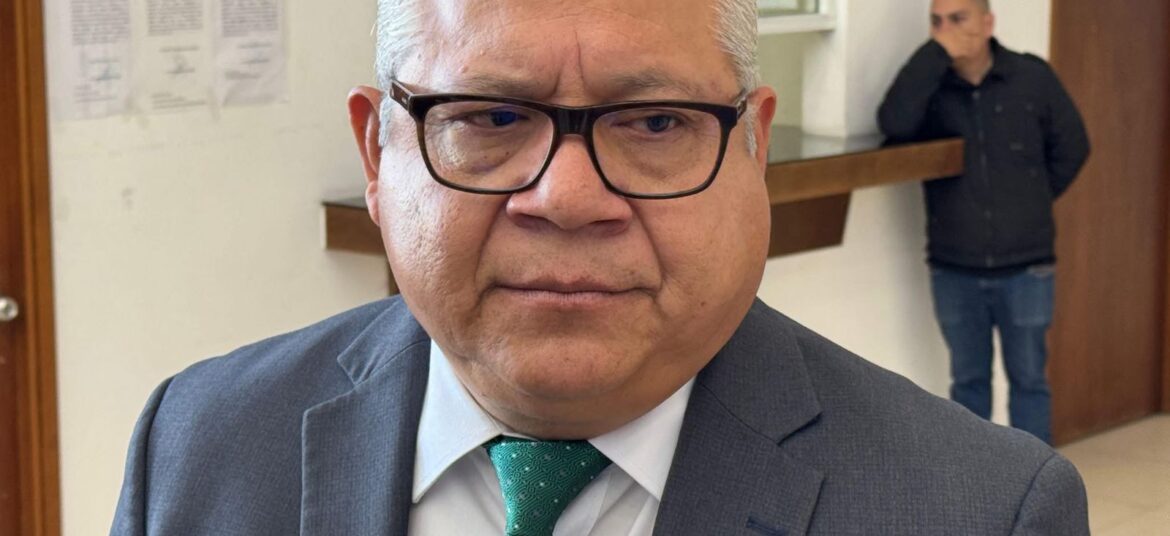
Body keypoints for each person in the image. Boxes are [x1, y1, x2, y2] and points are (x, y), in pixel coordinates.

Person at [111, 0, 1089, 534]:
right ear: (378, 155)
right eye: (491, 118)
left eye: (656, 122)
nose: (569, 198)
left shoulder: (981, 512)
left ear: (752, 150)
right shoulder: (196, 448)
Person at [877, 0, 1089, 445]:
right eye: (937, 22)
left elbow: (1074, 146)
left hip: (1027, 266)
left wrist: (1030, 201)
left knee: (1029, 380)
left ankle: (1035, 478)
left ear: (988, 23)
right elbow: (894, 123)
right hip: (955, 266)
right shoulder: (932, 85)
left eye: (959, 19)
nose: (946, 30)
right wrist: (934, 55)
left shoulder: (1031, 77)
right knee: (968, 383)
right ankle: (977, 480)